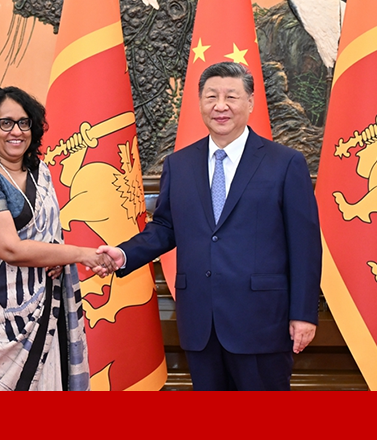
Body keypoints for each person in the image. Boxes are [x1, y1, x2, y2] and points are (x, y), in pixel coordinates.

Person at [98, 62, 322, 391]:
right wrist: (125, 254)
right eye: (211, 96)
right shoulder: (179, 164)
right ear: (200, 102)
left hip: (262, 322)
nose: (220, 105)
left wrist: (303, 313)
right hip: (200, 323)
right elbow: (166, 227)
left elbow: (305, 246)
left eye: (231, 96)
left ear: (250, 102)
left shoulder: (286, 163)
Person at [0, 86, 114, 391]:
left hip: (45, 308)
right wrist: (80, 254)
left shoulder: (41, 173)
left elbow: (50, 236)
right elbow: (10, 249)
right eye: (6, 123)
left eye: (24, 122)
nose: (16, 131)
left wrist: (56, 257)